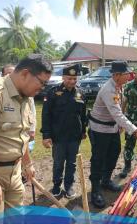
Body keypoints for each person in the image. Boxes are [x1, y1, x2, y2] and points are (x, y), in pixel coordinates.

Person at [0, 54, 52, 221]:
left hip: (14, 173)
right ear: (25, 73)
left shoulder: (25, 97)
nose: (42, 88)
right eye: (42, 82)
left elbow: (20, 135)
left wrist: (27, 163)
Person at [88, 61, 137, 208]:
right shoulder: (109, 89)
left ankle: (106, 181)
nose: (130, 76)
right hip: (100, 130)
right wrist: (134, 130)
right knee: (98, 159)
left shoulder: (119, 86)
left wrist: (120, 126)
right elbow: (117, 114)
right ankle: (95, 190)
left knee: (114, 153)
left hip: (112, 128)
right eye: (127, 74)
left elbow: (119, 110)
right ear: (117, 75)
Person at [41, 64, 87, 199]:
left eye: (74, 78)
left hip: (74, 136)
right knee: (58, 162)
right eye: (69, 78)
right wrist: (46, 135)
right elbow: (46, 115)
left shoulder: (80, 92)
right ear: (63, 77)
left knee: (72, 163)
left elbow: (83, 115)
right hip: (58, 136)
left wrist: (83, 131)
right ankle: (56, 185)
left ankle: (69, 186)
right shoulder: (53, 92)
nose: (72, 81)